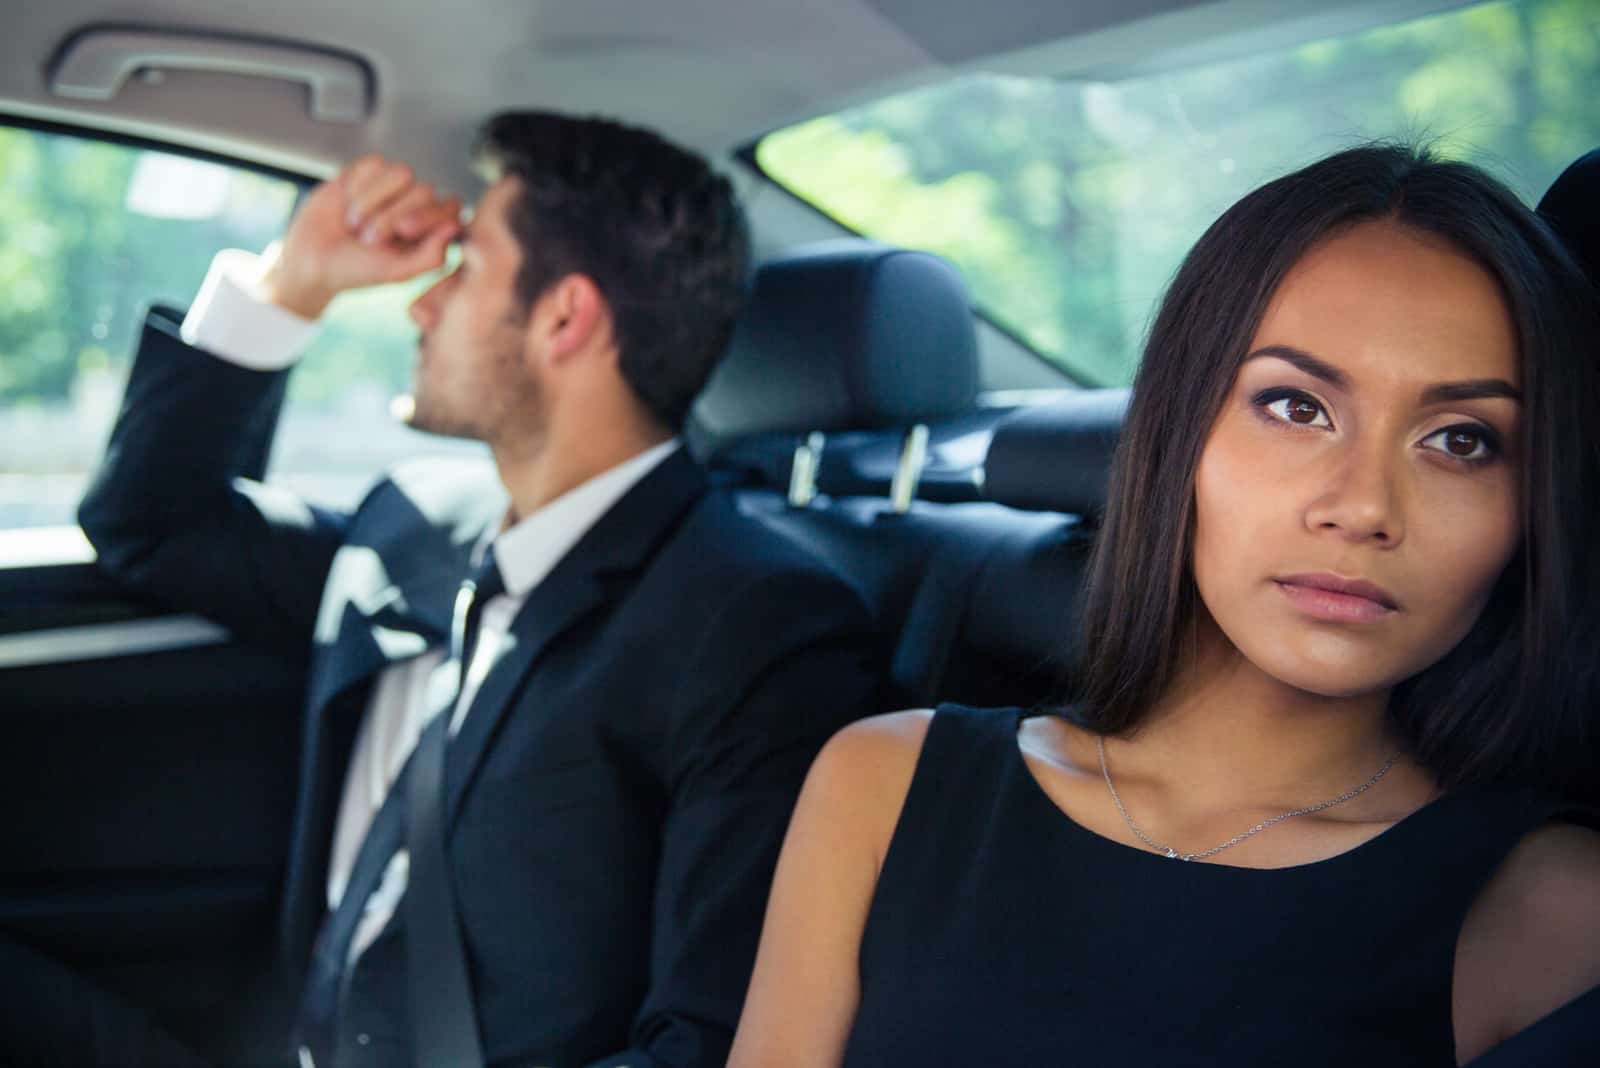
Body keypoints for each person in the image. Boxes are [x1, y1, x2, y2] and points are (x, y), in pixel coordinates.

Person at [727, 144, 1600, 1067]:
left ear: (1533, 508)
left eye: (1462, 440)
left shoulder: (1552, 922)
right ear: (1177, 434)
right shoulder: (885, 788)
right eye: (1297, 408)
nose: (1365, 507)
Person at [51, 111, 879, 1067]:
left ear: (565, 317)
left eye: (467, 267)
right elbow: (147, 522)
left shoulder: (756, 627)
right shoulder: (409, 525)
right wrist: (291, 285)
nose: (419, 304)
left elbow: (706, 1041)